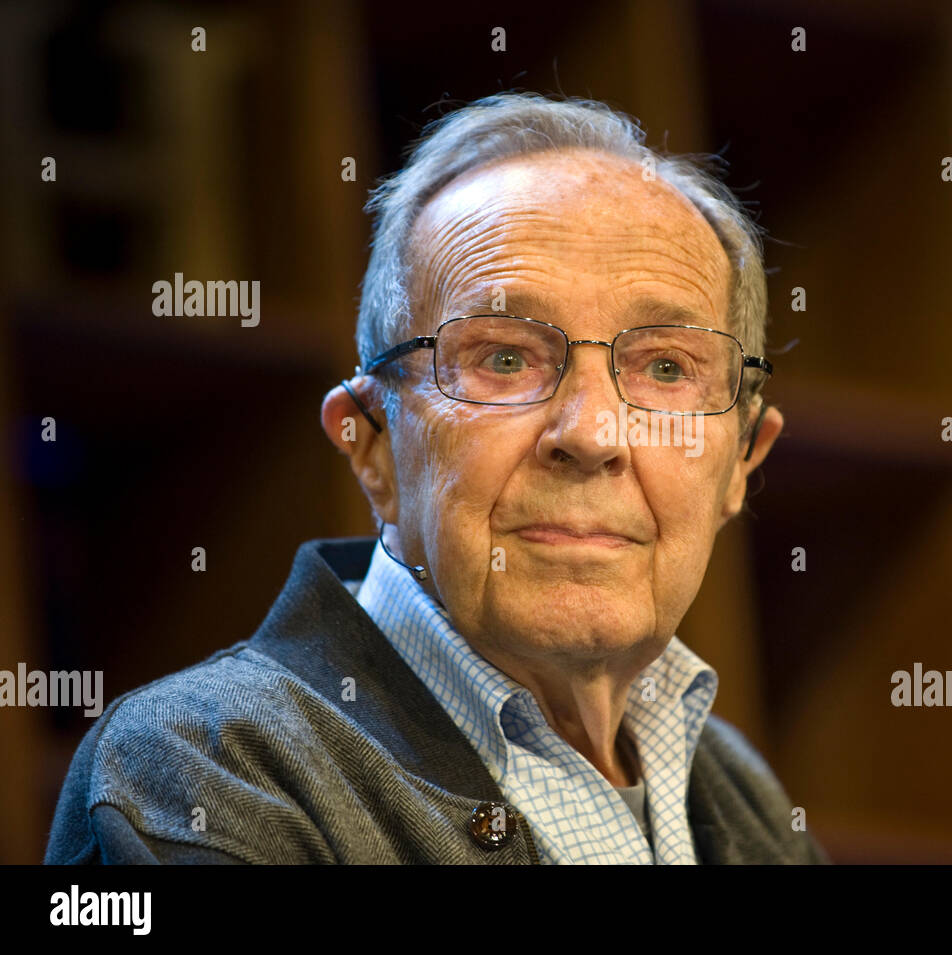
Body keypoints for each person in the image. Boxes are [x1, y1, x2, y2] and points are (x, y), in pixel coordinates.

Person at [45, 92, 827, 864]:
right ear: (371, 444)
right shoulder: (203, 773)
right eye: (505, 358)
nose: (591, 434)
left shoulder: (735, 790)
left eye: (665, 366)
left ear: (743, 460)